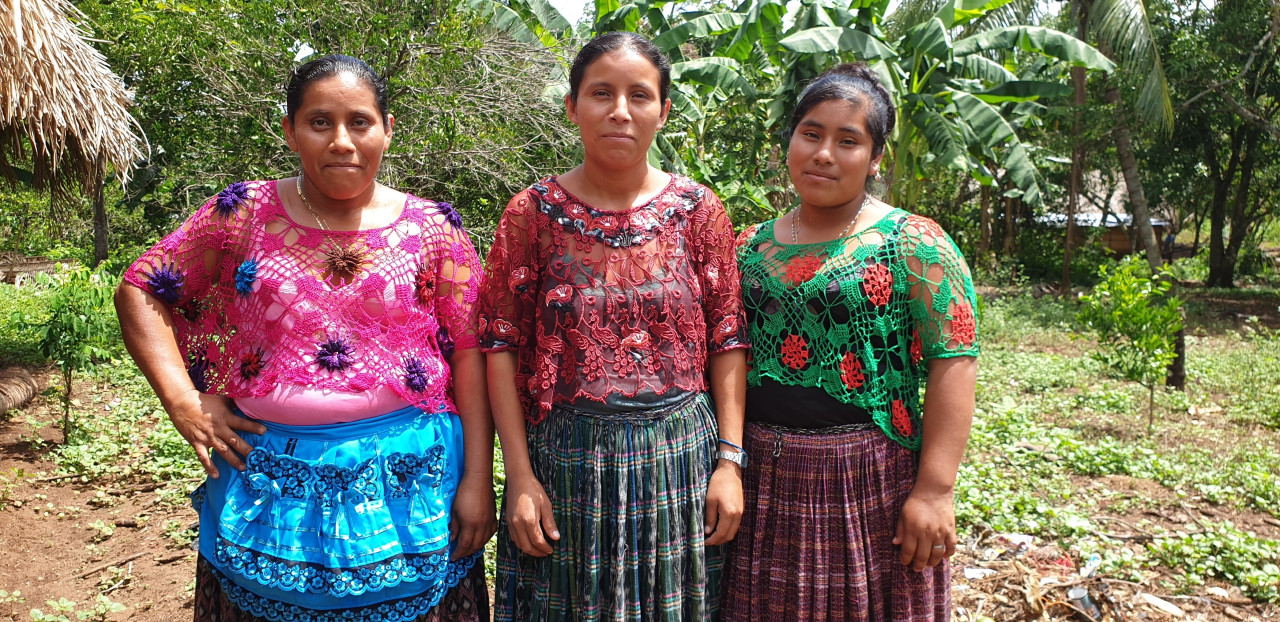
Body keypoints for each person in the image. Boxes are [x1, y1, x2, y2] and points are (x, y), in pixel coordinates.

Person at [114, 54, 497, 622]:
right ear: (290, 130)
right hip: (267, 483)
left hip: (413, 487)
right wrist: (184, 400)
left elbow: (472, 353)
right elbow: (141, 289)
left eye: (360, 122)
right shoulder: (243, 214)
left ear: (387, 130)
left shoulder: (432, 228)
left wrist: (477, 480)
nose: (342, 141)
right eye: (320, 122)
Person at [478, 31, 750, 622]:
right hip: (567, 463)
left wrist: (729, 463)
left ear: (664, 109)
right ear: (573, 106)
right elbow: (499, 345)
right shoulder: (531, 215)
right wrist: (519, 477)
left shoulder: (699, 212)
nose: (620, 111)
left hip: (680, 461)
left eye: (639, 95)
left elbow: (728, 339)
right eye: (601, 93)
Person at [723, 63, 979, 621]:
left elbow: (953, 360)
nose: (824, 154)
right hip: (763, 474)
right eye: (811, 133)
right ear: (790, 138)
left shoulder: (914, 242)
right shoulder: (749, 246)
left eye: (848, 140)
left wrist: (935, 490)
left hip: (867, 476)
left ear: (876, 157)